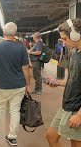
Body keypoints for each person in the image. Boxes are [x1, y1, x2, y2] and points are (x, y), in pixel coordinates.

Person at [0, 22, 31, 146]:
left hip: (3, 85)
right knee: (15, 111)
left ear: (3, 33)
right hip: (20, 85)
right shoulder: (21, 48)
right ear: (15, 34)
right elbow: (26, 68)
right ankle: (12, 137)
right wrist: (28, 85)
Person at [46, 18, 81, 147]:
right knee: (51, 136)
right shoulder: (75, 53)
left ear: (76, 35)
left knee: (76, 144)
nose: (64, 43)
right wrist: (58, 82)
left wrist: (79, 115)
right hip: (67, 105)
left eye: (65, 39)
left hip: (77, 109)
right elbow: (73, 78)